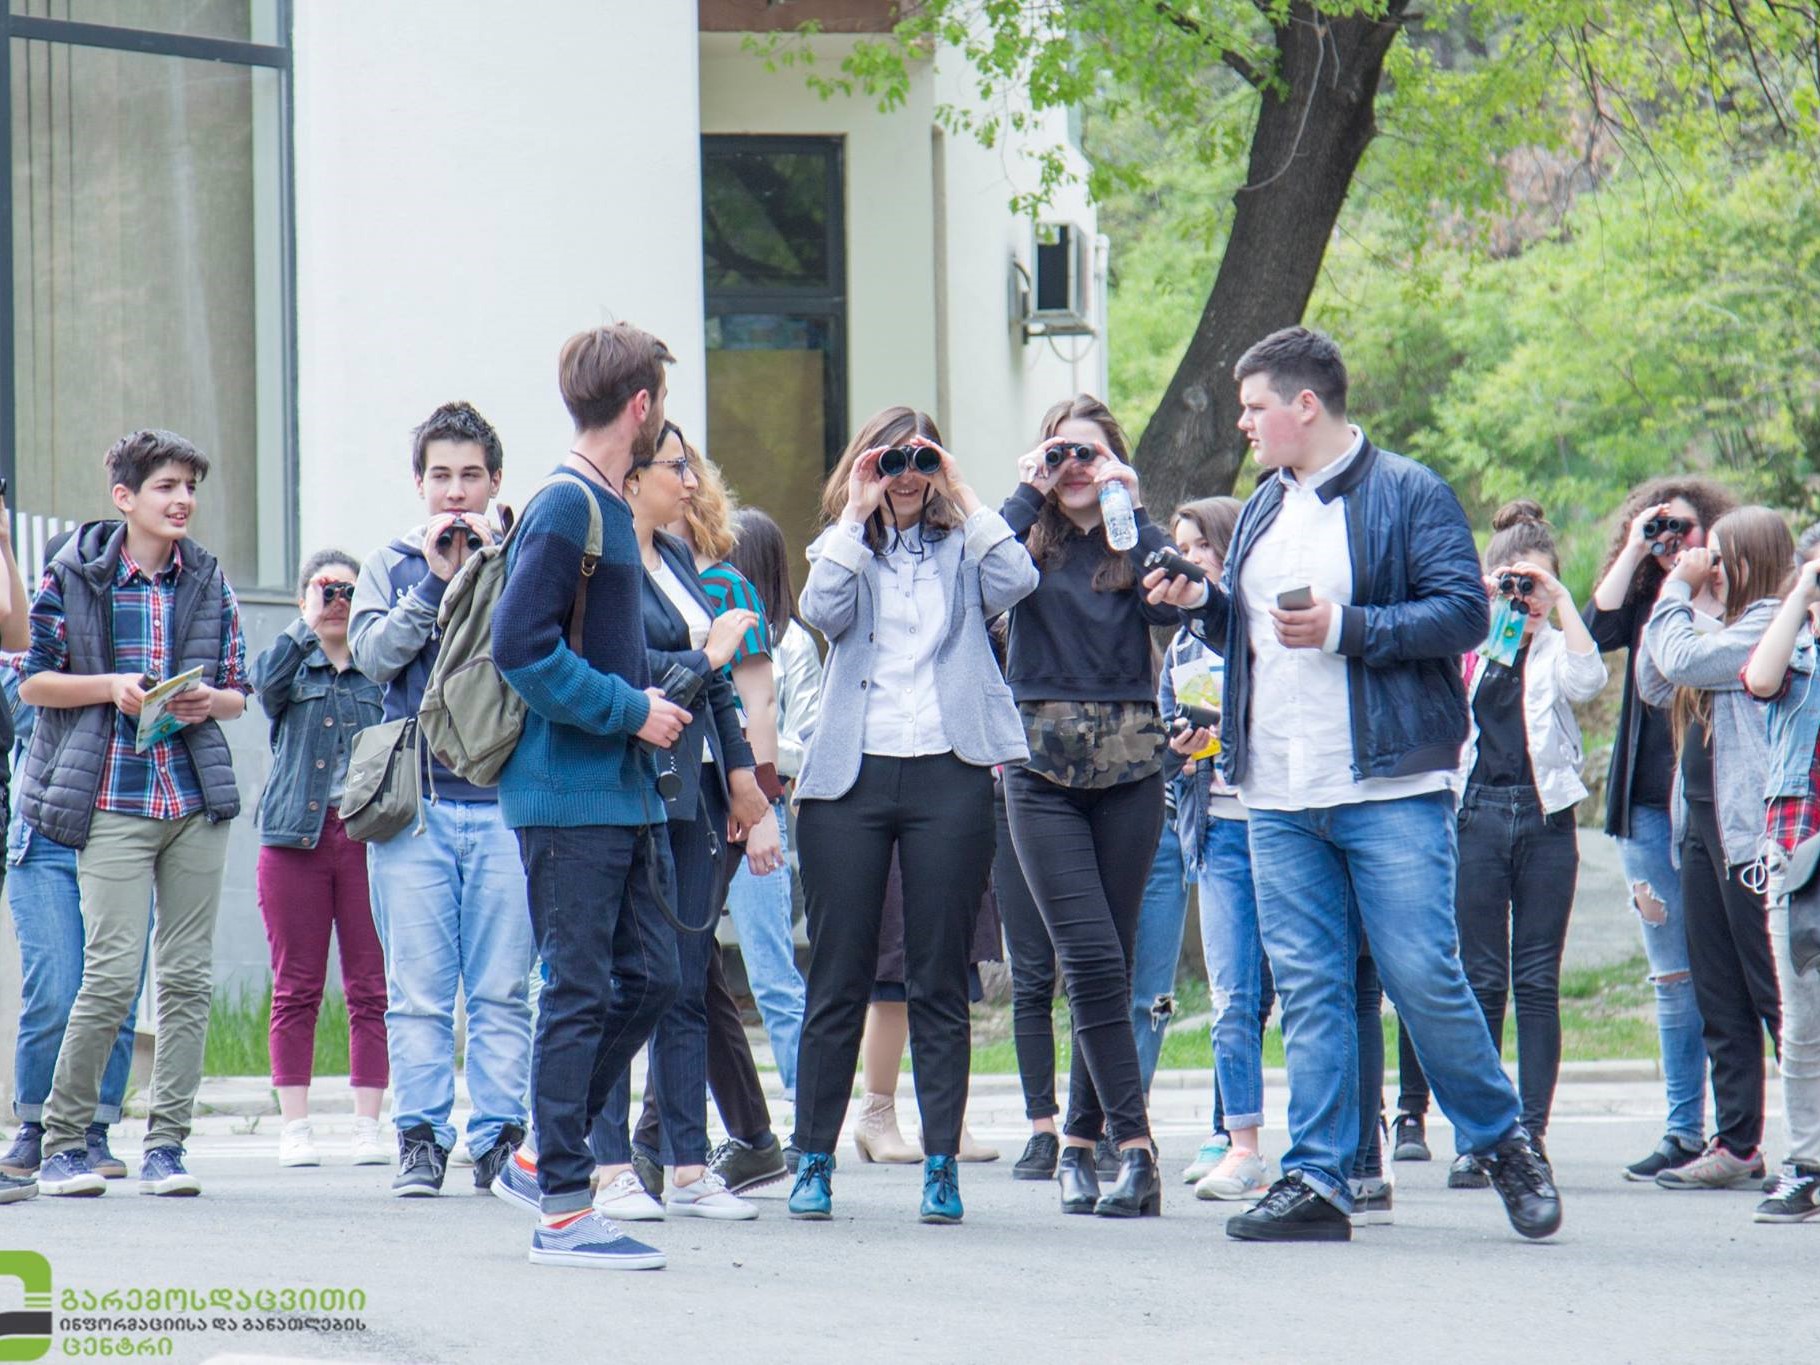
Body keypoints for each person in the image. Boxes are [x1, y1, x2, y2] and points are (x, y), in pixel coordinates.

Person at [1146, 327, 1559, 1243]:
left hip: (1387, 785)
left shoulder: (1410, 491)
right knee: (1310, 987)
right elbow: (1252, 635)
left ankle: (1503, 1140)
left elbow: (1464, 613)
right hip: (1275, 789)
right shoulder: (1262, 506)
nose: (1244, 422)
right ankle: (1320, 1178)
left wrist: (1347, 626)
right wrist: (1203, 604)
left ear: (1305, 405)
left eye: (1255, 406)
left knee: (1422, 975)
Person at [787, 406, 1037, 1225]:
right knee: (838, 975)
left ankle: (941, 1164)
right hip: (851, 777)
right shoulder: (844, 548)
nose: (904, 475)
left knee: (937, 976)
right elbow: (820, 610)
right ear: (865, 466)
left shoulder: (966, 547)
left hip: (947, 768)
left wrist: (961, 488)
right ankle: (813, 1158)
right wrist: (856, 515)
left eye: (918, 460)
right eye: (888, 461)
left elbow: (1019, 580)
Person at [487, 323, 694, 1270]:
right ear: (641, 406)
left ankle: (542, 1151)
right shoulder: (567, 502)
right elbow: (520, 647)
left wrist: (646, 702)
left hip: (620, 793)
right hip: (567, 796)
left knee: (651, 976)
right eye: (661, 402)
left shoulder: (606, 501)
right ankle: (565, 1211)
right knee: (577, 989)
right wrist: (629, 710)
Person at [25, 429, 250, 1199]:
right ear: (124, 497)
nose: (182, 499)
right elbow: (33, 681)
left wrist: (207, 700)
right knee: (113, 974)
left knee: (186, 978)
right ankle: (63, 1142)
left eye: (190, 486)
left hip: (193, 799)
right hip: (112, 798)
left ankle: (167, 1146)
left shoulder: (208, 579)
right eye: (166, 485)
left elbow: (239, 690)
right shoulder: (74, 573)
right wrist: (111, 685)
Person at [348, 400, 536, 1198]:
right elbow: (370, 657)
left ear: (496, 481)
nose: (455, 492)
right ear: (419, 483)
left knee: (502, 990)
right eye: (440, 476)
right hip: (416, 808)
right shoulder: (390, 564)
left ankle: (498, 1138)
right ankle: (420, 1136)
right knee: (419, 993)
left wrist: (492, 567)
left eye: (470, 476)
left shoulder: (526, 557)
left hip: (505, 805)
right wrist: (432, 580)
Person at [586, 419, 771, 1223]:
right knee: (626, 978)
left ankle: (690, 1166)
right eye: (677, 466)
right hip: (628, 787)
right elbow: (619, 672)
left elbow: (719, 687)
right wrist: (708, 656)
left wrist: (744, 777)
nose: (693, 482)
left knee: (688, 978)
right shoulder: (603, 565)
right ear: (633, 477)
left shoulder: (682, 558)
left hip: (696, 789)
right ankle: (607, 1166)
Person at [1000, 394, 1177, 1219]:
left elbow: (1169, 604)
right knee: (1092, 960)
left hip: (1132, 767)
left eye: (1090, 453)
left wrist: (1129, 504)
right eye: (1060, 452)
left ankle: (1078, 1143)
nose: (1073, 466)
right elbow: (978, 580)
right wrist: (1026, 490)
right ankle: (1136, 1150)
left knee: (1112, 959)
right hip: (1039, 771)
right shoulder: (1021, 544)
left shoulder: (1130, 539)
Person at [1395, 501, 1607, 1182]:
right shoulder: (1471, 647)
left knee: (1536, 982)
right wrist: (1480, 607)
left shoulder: (1555, 645)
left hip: (1546, 820)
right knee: (1481, 982)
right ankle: (1482, 1136)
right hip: (1476, 817)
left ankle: (1531, 1135)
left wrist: (1561, 602)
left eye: (1534, 583)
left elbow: (1589, 680)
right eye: (1514, 583)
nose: (1524, 598)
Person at [1584, 476, 1736, 1181]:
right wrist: (1638, 549)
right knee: (1672, 976)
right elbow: (1595, 631)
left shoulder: (1735, 600)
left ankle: (1740, 1133)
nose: (1674, 539)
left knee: (1730, 973)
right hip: (1645, 806)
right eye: (1660, 528)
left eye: (1685, 528)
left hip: (1717, 805)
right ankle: (1682, 1130)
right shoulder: (1648, 598)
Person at [1638, 506, 1789, 1190]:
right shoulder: (1720, 624)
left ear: (1753, 560)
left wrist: (1677, 592)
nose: (1713, 569)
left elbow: (1683, 659)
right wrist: (1688, 596)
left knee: (1775, 992)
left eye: (1722, 559)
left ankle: (1810, 1144)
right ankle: (1737, 1144)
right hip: (1701, 829)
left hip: (1751, 835)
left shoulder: (1769, 627)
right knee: (1719, 992)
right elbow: (1654, 680)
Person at [251, 549, 389, 1168]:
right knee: (296, 986)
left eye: (347, 591)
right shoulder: (293, 663)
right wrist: (305, 623)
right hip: (293, 840)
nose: (337, 602)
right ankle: (295, 1126)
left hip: (365, 838)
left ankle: (367, 1125)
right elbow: (264, 687)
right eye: (325, 590)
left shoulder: (378, 669)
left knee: (371, 987)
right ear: (303, 599)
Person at [1157, 496, 1276, 1201]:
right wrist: (1183, 748)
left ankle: (1355, 1145)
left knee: (1307, 993)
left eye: (1202, 545)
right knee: (1232, 995)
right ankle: (1239, 1143)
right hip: (1220, 830)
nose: (1190, 559)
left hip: (1286, 825)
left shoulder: (1260, 628)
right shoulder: (1179, 647)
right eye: (1182, 546)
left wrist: (1233, 732)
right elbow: (1168, 749)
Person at [1742, 532, 1820, 1222]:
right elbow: (1759, 680)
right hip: (1799, 852)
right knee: (1802, 1024)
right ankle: (1806, 1164)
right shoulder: (1793, 651)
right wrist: (1802, 592)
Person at [725, 507, 814, 1104]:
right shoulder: (703, 630)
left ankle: (809, 1109)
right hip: (701, 804)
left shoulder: (792, 643)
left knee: (772, 972)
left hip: (761, 807)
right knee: (680, 978)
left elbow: (808, 741)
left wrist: (745, 742)